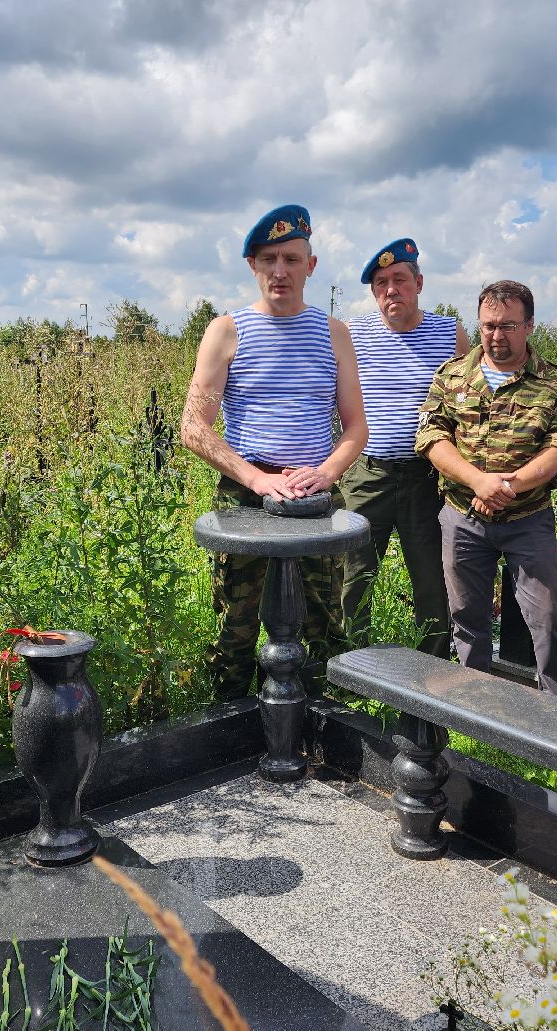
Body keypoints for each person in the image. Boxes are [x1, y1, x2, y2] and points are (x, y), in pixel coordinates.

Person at [179, 204, 367, 700]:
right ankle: (230, 729)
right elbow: (193, 428)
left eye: (290, 258)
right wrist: (257, 479)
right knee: (235, 626)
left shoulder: (333, 334)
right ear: (252, 265)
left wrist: (325, 474)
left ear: (311, 265)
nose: (279, 271)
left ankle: (323, 729)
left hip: (313, 498)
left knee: (325, 622)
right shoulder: (227, 330)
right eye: (268, 259)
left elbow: (355, 429)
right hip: (247, 497)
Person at [416, 280, 557, 696]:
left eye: (508, 325)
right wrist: (478, 481)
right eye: (488, 325)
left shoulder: (554, 383)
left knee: (548, 616)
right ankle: (476, 705)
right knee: (467, 617)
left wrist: (509, 485)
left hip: (528, 519)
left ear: (529, 326)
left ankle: (555, 712)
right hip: (463, 517)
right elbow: (431, 436)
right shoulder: (452, 376)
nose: (496, 335)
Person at [341, 238, 469, 657]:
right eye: (381, 283)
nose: (390, 290)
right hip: (367, 473)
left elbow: (469, 404)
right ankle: (347, 663)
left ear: (418, 283)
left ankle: (432, 673)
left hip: (426, 477)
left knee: (432, 577)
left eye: (399, 280)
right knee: (353, 573)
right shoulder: (352, 333)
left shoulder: (450, 333)